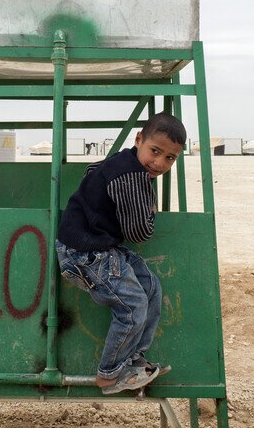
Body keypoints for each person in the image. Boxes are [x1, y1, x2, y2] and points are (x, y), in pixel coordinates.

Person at [56, 112, 186, 395]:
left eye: (170, 158)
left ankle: (133, 360)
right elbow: (139, 233)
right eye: (155, 151)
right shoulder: (130, 176)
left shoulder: (122, 162)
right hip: (83, 254)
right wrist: (150, 210)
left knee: (151, 288)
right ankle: (110, 373)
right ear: (139, 139)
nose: (159, 163)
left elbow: (92, 170)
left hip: (102, 248)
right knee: (132, 305)